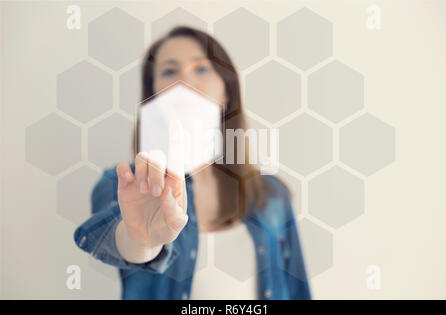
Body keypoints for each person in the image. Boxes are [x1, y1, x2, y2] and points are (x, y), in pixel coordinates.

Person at [73, 26, 311, 300]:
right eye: (169, 71)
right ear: (154, 95)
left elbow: (297, 291)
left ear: (225, 92)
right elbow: (119, 241)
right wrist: (141, 239)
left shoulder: (271, 195)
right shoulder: (124, 184)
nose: (185, 81)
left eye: (201, 69)